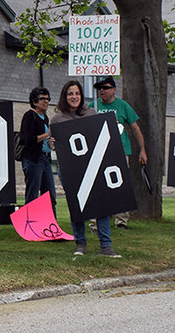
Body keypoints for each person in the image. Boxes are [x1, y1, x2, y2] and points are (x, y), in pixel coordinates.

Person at [51, 80, 121, 258]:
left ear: (81, 96)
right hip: (69, 170)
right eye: (70, 94)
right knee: (77, 205)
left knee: (101, 205)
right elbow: (53, 144)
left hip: (93, 167)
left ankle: (105, 245)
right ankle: (80, 243)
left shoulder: (91, 113)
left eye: (77, 93)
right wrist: (51, 143)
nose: (74, 97)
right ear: (64, 97)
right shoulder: (57, 118)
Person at [89, 76, 147, 229]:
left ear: (114, 90)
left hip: (120, 150)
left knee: (120, 186)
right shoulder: (92, 106)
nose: (102, 90)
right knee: (98, 186)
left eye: (106, 87)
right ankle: (96, 222)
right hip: (99, 152)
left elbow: (135, 128)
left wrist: (142, 150)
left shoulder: (122, 106)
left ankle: (121, 221)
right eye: (99, 88)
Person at [19, 86, 56, 217]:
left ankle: (52, 224)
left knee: (50, 193)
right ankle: (31, 225)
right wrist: (46, 134)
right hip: (33, 160)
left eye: (48, 99)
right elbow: (25, 139)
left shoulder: (45, 118)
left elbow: (44, 139)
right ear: (34, 101)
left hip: (45, 158)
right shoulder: (30, 116)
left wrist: (51, 142)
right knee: (33, 195)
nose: (46, 101)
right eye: (42, 99)